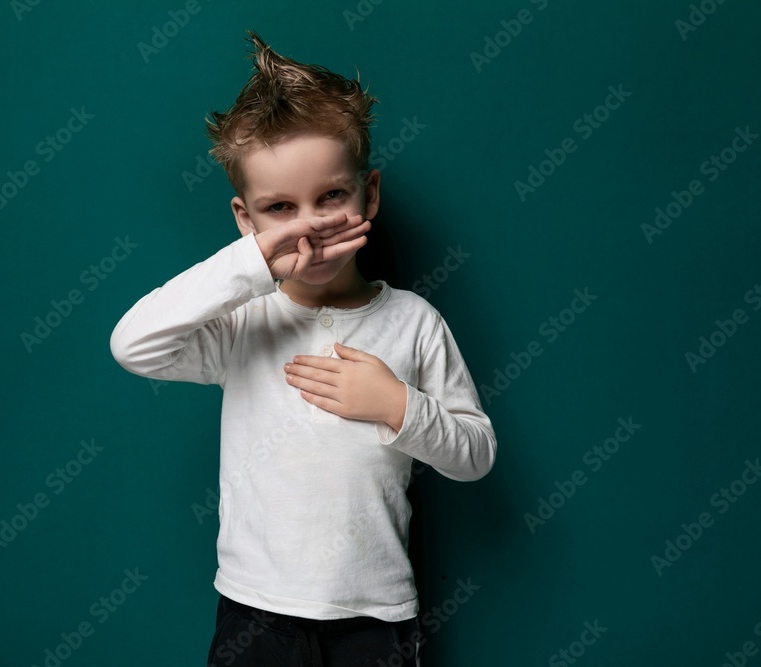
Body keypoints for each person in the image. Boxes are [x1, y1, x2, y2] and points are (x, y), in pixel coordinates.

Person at [109, 31, 496, 666]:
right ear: (246, 219)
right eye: (281, 209)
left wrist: (399, 406)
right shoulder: (243, 323)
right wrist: (252, 265)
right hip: (255, 611)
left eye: (331, 197)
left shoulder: (414, 322)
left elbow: (475, 453)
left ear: (368, 193)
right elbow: (133, 345)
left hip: (374, 615)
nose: (310, 227)